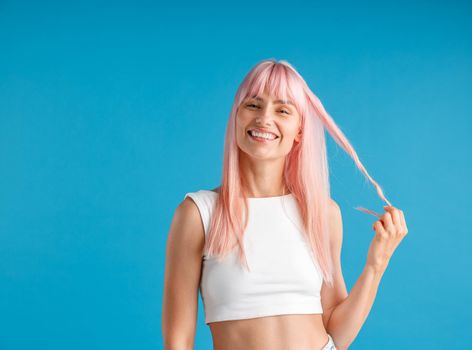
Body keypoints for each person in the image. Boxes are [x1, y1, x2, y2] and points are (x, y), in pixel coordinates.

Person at [162, 59, 409, 350]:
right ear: (236, 117)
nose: (265, 119)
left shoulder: (323, 213)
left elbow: (337, 335)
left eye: (282, 110)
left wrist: (376, 264)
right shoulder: (198, 213)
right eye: (253, 105)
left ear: (299, 131)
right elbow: (178, 340)